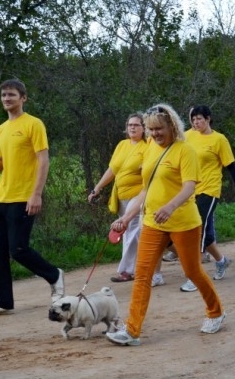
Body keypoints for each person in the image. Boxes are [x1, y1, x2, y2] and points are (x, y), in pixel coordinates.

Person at [106, 104, 226, 346]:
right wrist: (127, 217)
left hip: (183, 222)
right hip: (152, 221)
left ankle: (216, 312)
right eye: (150, 130)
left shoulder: (185, 151)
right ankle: (132, 331)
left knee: (192, 271)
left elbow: (189, 187)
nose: (154, 134)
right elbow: (146, 188)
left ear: (172, 125)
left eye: (159, 128)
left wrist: (170, 207)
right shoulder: (150, 147)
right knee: (142, 274)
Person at [0, 78, 64, 317]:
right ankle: (2, 302)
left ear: (23, 98)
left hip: (23, 197)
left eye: (11, 95)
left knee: (18, 249)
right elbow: (0, 164)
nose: (6, 99)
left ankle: (54, 275)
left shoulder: (33, 124)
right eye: (3, 95)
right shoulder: (1, 129)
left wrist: (36, 194)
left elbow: (43, 160)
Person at [178, 105, 235, 293]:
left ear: (208, 119)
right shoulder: (187, 136)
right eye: (193, 120)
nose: (196, 123)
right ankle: (221, 261)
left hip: (209, 190)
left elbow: (232, 167)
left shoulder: (219, 140)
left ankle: (194, 276)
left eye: (199, 119)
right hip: (190, 190)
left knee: (196, 230)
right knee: (207, 235)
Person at [88, 113, 147, 283]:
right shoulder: (122, 145)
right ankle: (174, 250)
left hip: (138, 196)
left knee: (132, 231)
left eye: (136, 125)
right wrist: (97, 188)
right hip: (120, 196)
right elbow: (112, 170)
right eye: (130, 125)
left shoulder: (147, 147)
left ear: (144, 128)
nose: (133, 128)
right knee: (127, 231)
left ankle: (127, 271)